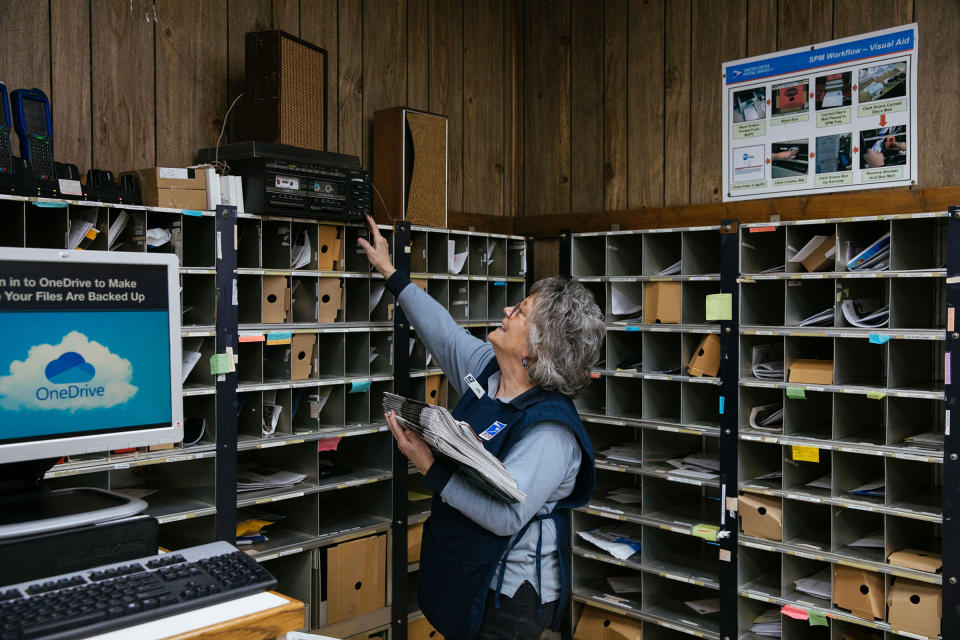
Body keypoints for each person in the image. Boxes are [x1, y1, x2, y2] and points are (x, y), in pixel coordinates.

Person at [358, 216, 604, 640]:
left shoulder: (550, 432)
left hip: (507, 598)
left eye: (521, 311)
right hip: (463, 571)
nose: (507, 310)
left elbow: (505, 517)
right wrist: (391, 273)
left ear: (538, 348)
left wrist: (429, 467)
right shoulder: (489, 372)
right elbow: (443, 334)